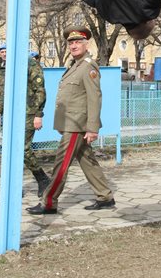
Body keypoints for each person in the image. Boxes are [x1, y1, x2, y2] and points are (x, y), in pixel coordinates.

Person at [26, 26, 115, 215]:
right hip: (70, 122)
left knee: (61, 163)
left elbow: (94, 98)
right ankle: (105, 196)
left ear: (86, 44)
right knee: (87, 160)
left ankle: (49, 202)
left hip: (77, 124)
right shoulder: (74, 65)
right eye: (71, 43)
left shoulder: (88, 66)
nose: (74, 45)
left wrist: (92, 128)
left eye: (78, 42)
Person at [0, 45, 50, 197]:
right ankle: (12, 187)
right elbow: (6, 91)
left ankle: (42, 179)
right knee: (11, 149)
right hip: (12, 113)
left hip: (29, 112)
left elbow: (40, 90)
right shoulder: (10, 66)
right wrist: (0, 110)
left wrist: (39, 114)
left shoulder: (31, 64)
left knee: (23, 148)